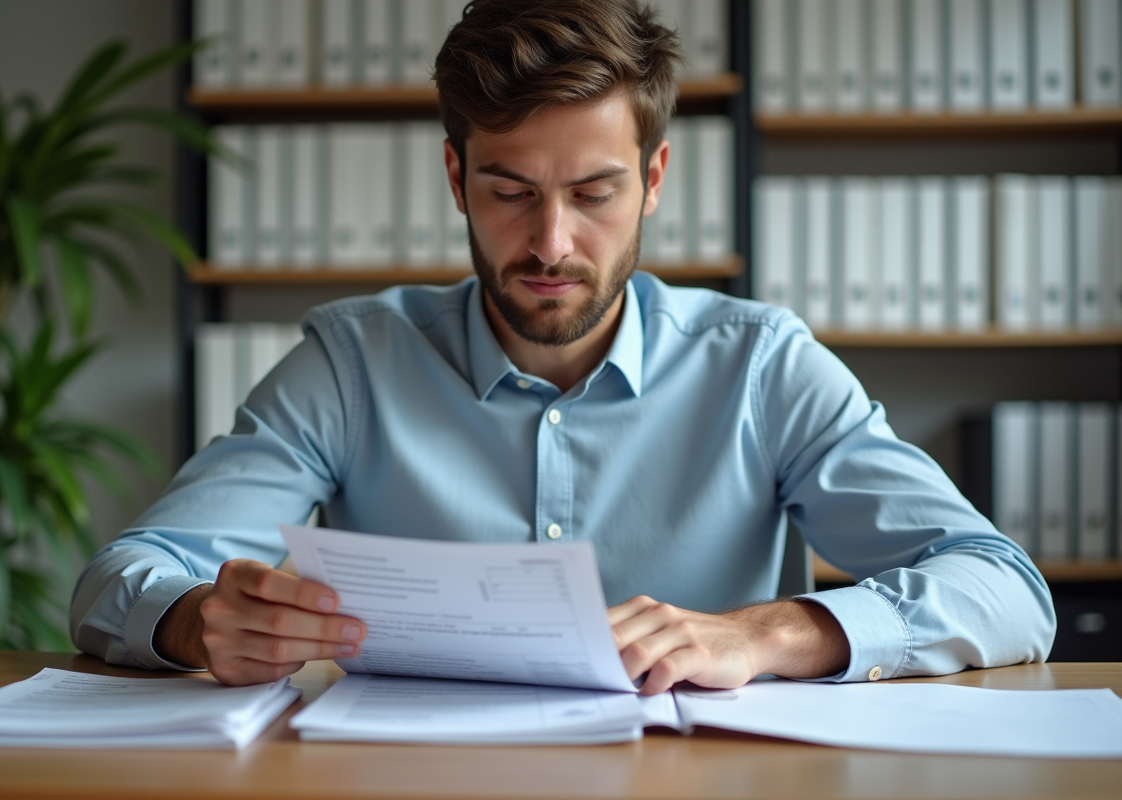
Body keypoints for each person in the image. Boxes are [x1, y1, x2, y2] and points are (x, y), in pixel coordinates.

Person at [70, 0, 1054, 692]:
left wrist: (774, 629)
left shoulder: (762, 366)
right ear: (455, 179)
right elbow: (123, 575)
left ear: (655, 177)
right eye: (509, 191)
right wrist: (198, 619)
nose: (550, 242)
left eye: (593, 193)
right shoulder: (350, 363)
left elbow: (1004, 588)